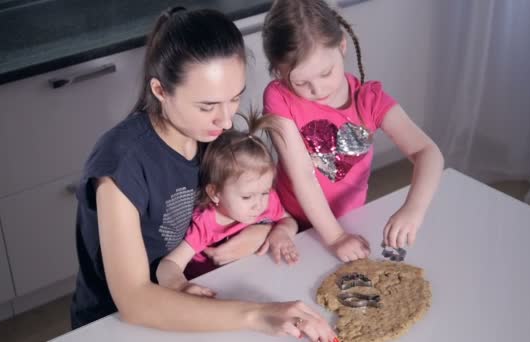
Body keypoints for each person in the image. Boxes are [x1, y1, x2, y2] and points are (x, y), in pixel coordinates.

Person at [70, 7, 337, 342]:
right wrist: (257, 314)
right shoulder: (121, 163)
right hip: (113, 325)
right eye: (207, 106)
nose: (226, 121)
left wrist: (261, 231)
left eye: (234, 99)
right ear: (160, 91)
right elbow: (134, 300)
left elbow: (233, 213)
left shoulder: (213, 141)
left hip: (193, 298)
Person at [261, 0, 444, 262]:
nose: (317, 90)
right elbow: (303, 174)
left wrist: (414, 208)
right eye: (301, 82)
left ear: (342, 46)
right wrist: (335, 237)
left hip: (351, 219)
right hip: (290, 219)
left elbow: (428, 152)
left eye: (326, 73)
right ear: (278, 72)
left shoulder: (369, 100)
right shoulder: (279, 97)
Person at [157, 114, 299, 294]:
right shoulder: (206, 223)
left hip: (251, 274)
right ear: (215, 193)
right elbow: (169, 264)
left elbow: (289, 220)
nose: (259, 204)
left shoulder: (266, 199)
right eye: (247, 197)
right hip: (213, 289)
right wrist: (181, 286)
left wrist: (281, 232)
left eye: (265, 191)